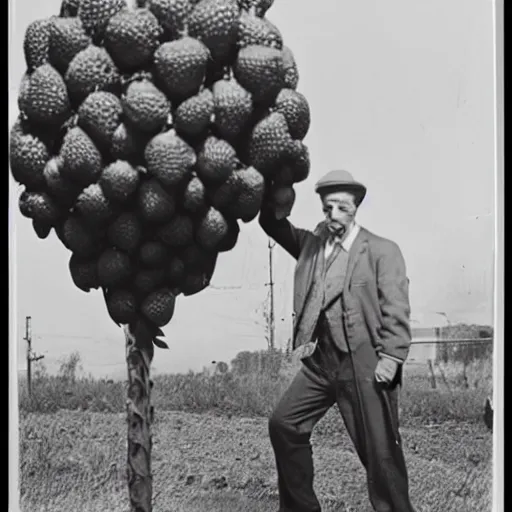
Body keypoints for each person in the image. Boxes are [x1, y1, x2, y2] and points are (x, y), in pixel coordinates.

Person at [259, 169, 416, 512]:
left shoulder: (381, 250)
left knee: (380, 454)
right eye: (328, 207)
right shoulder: (311, 246)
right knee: (284, 424)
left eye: (342, 207)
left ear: (355, 208)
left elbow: (397, 310)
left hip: (364, 364)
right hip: (321, 364)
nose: (334, 214)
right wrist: (272, 186)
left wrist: (391, 358)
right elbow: (272, 226)